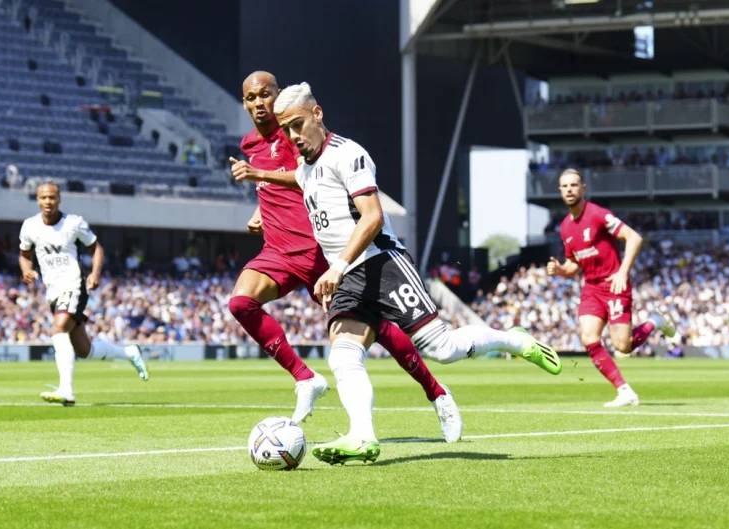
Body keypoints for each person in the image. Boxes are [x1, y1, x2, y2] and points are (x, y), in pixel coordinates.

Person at [238, 82, 560, 465]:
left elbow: (372, 217)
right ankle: (361, 435)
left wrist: (337, 267)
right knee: (343, 357)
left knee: (443, 349)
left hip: (382, 264)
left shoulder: (349, 154)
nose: (292, 137)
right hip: (349, 278)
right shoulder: (306, 168)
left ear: (317, 114)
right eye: (286, 129)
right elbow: (299, 181)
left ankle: (514, 341)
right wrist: (264, 194)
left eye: (297, 125)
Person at [228, 71, 462, 442]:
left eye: (265, 95)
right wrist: (261, 207)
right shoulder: (249, 144)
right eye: (251, 97)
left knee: (382, 331)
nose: (260, 103)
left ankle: (436, 392)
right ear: (244, 102)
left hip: (321, 251)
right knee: (240, 303)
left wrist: (261, 175)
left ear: (278, 95)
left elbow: (303, 174)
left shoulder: (295, 129)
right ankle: (305, 378)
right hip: (279, 251)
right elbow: (279, 185)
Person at [546, 168, 676, 407]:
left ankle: (655, 322)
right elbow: (573, 264)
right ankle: (624, 391)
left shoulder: (597, 215)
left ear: (583, 188)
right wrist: (560, 270)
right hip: (592, 288)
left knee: (622, 346)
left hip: (615, 285)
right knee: (589, 338)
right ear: (560, 192)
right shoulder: (565, 227)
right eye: (564, 187)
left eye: (574, 185)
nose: (569, 190)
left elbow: (634, 237)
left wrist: (622, 271)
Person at [19, 181, 149, 406]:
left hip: (74, 285)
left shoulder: (73, 223)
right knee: (84, 350)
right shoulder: (29, 226)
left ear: (59, 199)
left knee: (58, 328)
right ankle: (129, 352)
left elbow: (96, 247)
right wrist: (26, 270)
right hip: (53, 291)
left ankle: (66, 391)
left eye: (52, 197)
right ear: (37, 199)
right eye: (43, 198)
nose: (48, 202)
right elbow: (24, 253)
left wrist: (95, 273)